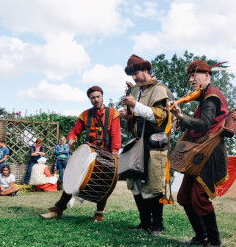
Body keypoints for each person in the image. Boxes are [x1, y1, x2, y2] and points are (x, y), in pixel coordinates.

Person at [168, 59, 229, 247]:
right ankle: (201, 237)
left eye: (194, 75)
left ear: (207, 75)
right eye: (190, 76)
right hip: (198, 152)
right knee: (185, 197)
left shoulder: (211, 95)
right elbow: (201, 123)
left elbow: (204, 125)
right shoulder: (205, 96)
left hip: (209, 151)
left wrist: (181, 118)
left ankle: (215, 242)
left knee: (200, 199)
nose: (191, 79)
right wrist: (183, 122)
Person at [40, 85, 121, 222]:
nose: (95, 99)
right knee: (73, 178)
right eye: (92, 98)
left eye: (98, 97)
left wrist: (114, 151)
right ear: (90, 99)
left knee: (105, 182)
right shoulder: (85, 114)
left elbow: (115, 133)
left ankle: (99, 212)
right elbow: (75, 131)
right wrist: (71, 139)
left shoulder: (113, 112)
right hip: (89, 153)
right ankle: (59, 209)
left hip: (106, 153)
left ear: (102, 96)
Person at [119, 54, 173, 235]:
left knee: (154, 184)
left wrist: (135, 105)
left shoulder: (159, 89)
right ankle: (144, 222)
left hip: (154, 143)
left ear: (147, 71)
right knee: (135, 183)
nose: (134, 77)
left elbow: (159, 116)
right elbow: (134, 119)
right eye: (132, 74)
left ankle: (157, 224)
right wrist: (127, 115)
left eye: (137, 73)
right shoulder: (135, 91)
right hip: (137, 143)